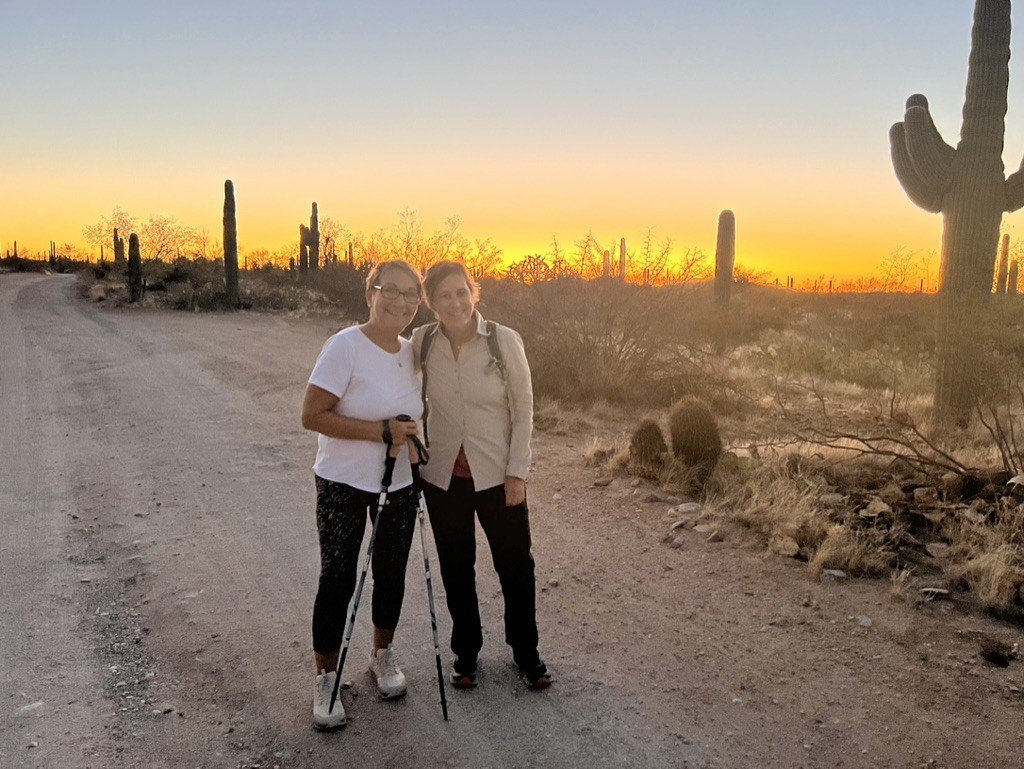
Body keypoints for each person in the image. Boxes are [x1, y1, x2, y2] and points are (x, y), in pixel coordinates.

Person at [411, 260, 550, 690]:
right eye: (443, 296)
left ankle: (526, 653)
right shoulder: (421, 341)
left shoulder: (502, 341)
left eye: (460, 292)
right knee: (457, 567)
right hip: (443, 476)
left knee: (514, 566)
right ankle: (466, 653)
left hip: (497, 474)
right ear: (431, 303)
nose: (454, 302)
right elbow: (404, 395)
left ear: (475, 292)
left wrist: (518, 473)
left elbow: (523, 410)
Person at [300, 260, 424, 730]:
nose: (400, 301)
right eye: (389, 290)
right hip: (343, 482)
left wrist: (414, 438)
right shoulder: (344, 346)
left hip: (400, 483)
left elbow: (415, 415)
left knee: (391, 571)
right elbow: (312, 415)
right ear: (370, 293)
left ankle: (382, 655)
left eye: (411, 294)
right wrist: (380, 433)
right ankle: (326, 677)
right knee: (338, 575)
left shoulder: (412, 353)